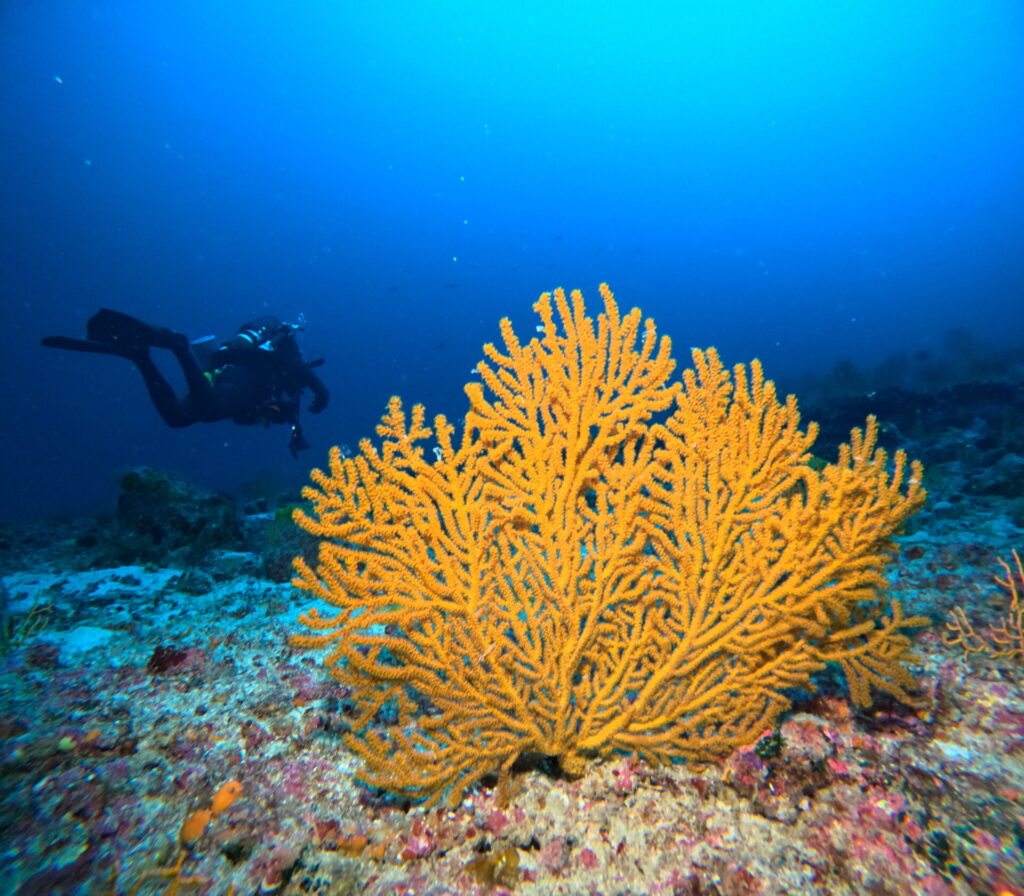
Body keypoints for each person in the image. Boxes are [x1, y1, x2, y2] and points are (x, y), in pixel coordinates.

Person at [42, 309, 329, 456]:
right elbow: (295, 367)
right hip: (240, 378)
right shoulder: (286, 355)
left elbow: (284, 410)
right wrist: (321, 393)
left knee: (177, 419)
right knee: (210, 411)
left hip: (222, 377)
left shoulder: (281, 375)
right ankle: (178, 346)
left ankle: (140, 357)